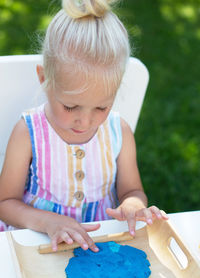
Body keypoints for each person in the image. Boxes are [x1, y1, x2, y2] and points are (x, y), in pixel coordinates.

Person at [0, 0, 168, 252]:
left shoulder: (118, 131)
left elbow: (132, 190)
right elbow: (5, 202)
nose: (86, 121)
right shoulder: (28, 132)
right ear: (44, 78)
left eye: (101, 107)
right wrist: (48, 222)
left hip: (100, 244)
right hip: (38, 243)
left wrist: (132, 205)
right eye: (70, 107)